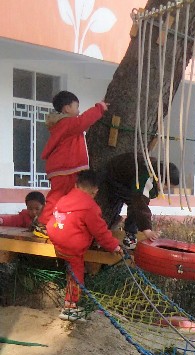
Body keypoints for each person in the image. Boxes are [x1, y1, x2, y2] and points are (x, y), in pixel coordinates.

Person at [46, 169, 122, 321]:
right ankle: (70, 307)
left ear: (76, 185)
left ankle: (70, 304)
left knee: (71, 267)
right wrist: (114, 246)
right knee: (76, 272)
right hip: (71, 245)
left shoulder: (64, 199)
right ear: (95, 191)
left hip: (56, 239)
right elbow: (101, 232)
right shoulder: (90, 207)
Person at [34, 91, 108, 236]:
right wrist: (99, 107)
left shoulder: (64, 125)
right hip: (64, 169)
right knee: (57, 197)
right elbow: (83, 121)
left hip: (64, 169)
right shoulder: (67, 123)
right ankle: (42, 224)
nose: (78, 111)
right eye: (76, 107)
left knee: (65, 199)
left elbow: (83, 124)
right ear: (67, 108)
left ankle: (56, 224)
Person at [96, 152, 181, 249]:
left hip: (123, 175)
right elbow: (140, 204)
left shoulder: (152, 171)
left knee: (135, 203)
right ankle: (130, 234)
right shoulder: (145, 178)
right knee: (135, 204)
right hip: (114, 176)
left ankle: (126, 232)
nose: (165, 190)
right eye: (166, 186)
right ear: (160, 177)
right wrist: (147, 230)